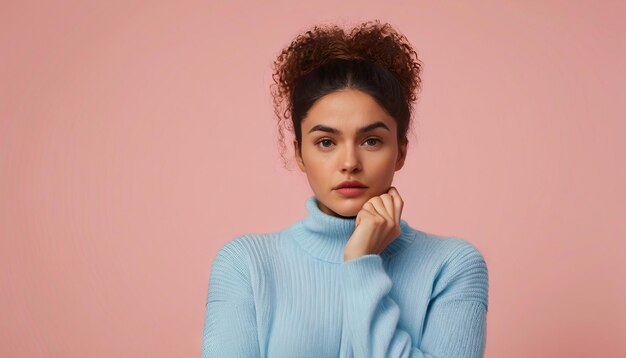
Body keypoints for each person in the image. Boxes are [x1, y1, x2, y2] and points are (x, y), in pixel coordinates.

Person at [202, 20, 489, 358]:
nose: (349, 162)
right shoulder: (246, 265)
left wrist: (360, 264)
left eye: (371, 140)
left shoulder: (452, 266)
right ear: (300, 154)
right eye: (326, 142)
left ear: (401, 151)